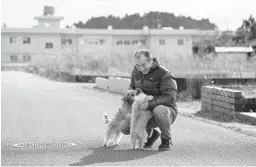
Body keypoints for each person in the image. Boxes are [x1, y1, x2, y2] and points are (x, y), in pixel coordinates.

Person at [118, 48, 178, 151]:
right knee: (124, 127)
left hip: (166, 111)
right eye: (138, 65)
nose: (141, 68)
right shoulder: (136, 72)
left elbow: (170, 98)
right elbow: (131, 88)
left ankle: (166, 139)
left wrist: (148, 104)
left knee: (158, 110)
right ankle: (151, 135)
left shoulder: (164, 73)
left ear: (151, 61)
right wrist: (131, 95)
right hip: (143, 111)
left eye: (144, 65)